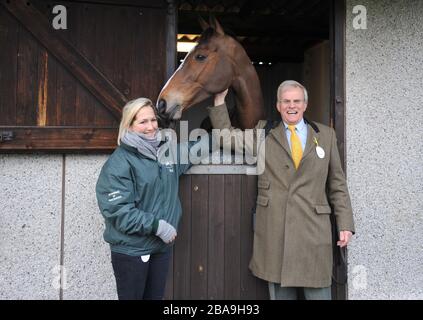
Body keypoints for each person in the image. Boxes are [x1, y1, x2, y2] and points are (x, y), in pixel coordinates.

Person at [208, 80, 355, 300]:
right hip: (276, 234)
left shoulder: (325, 135)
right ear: (278, 105)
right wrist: (219, 99)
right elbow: (225, 137)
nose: (291, 106)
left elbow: (337, 184)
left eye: (296, 101)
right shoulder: (264, 134)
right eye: (286, 101)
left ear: (305, 104)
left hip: (313, 234)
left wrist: (345, 224)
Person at [95, 98, 194, 300]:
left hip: (160, 248)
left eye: (153, 120)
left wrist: (223, 131)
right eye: (143, 122)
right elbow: (118, 211)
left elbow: (195, 149)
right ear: (129, 125)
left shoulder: (166, 154)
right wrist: (158, 226)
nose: (151, 127)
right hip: (131, 252)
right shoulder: (119, 163)